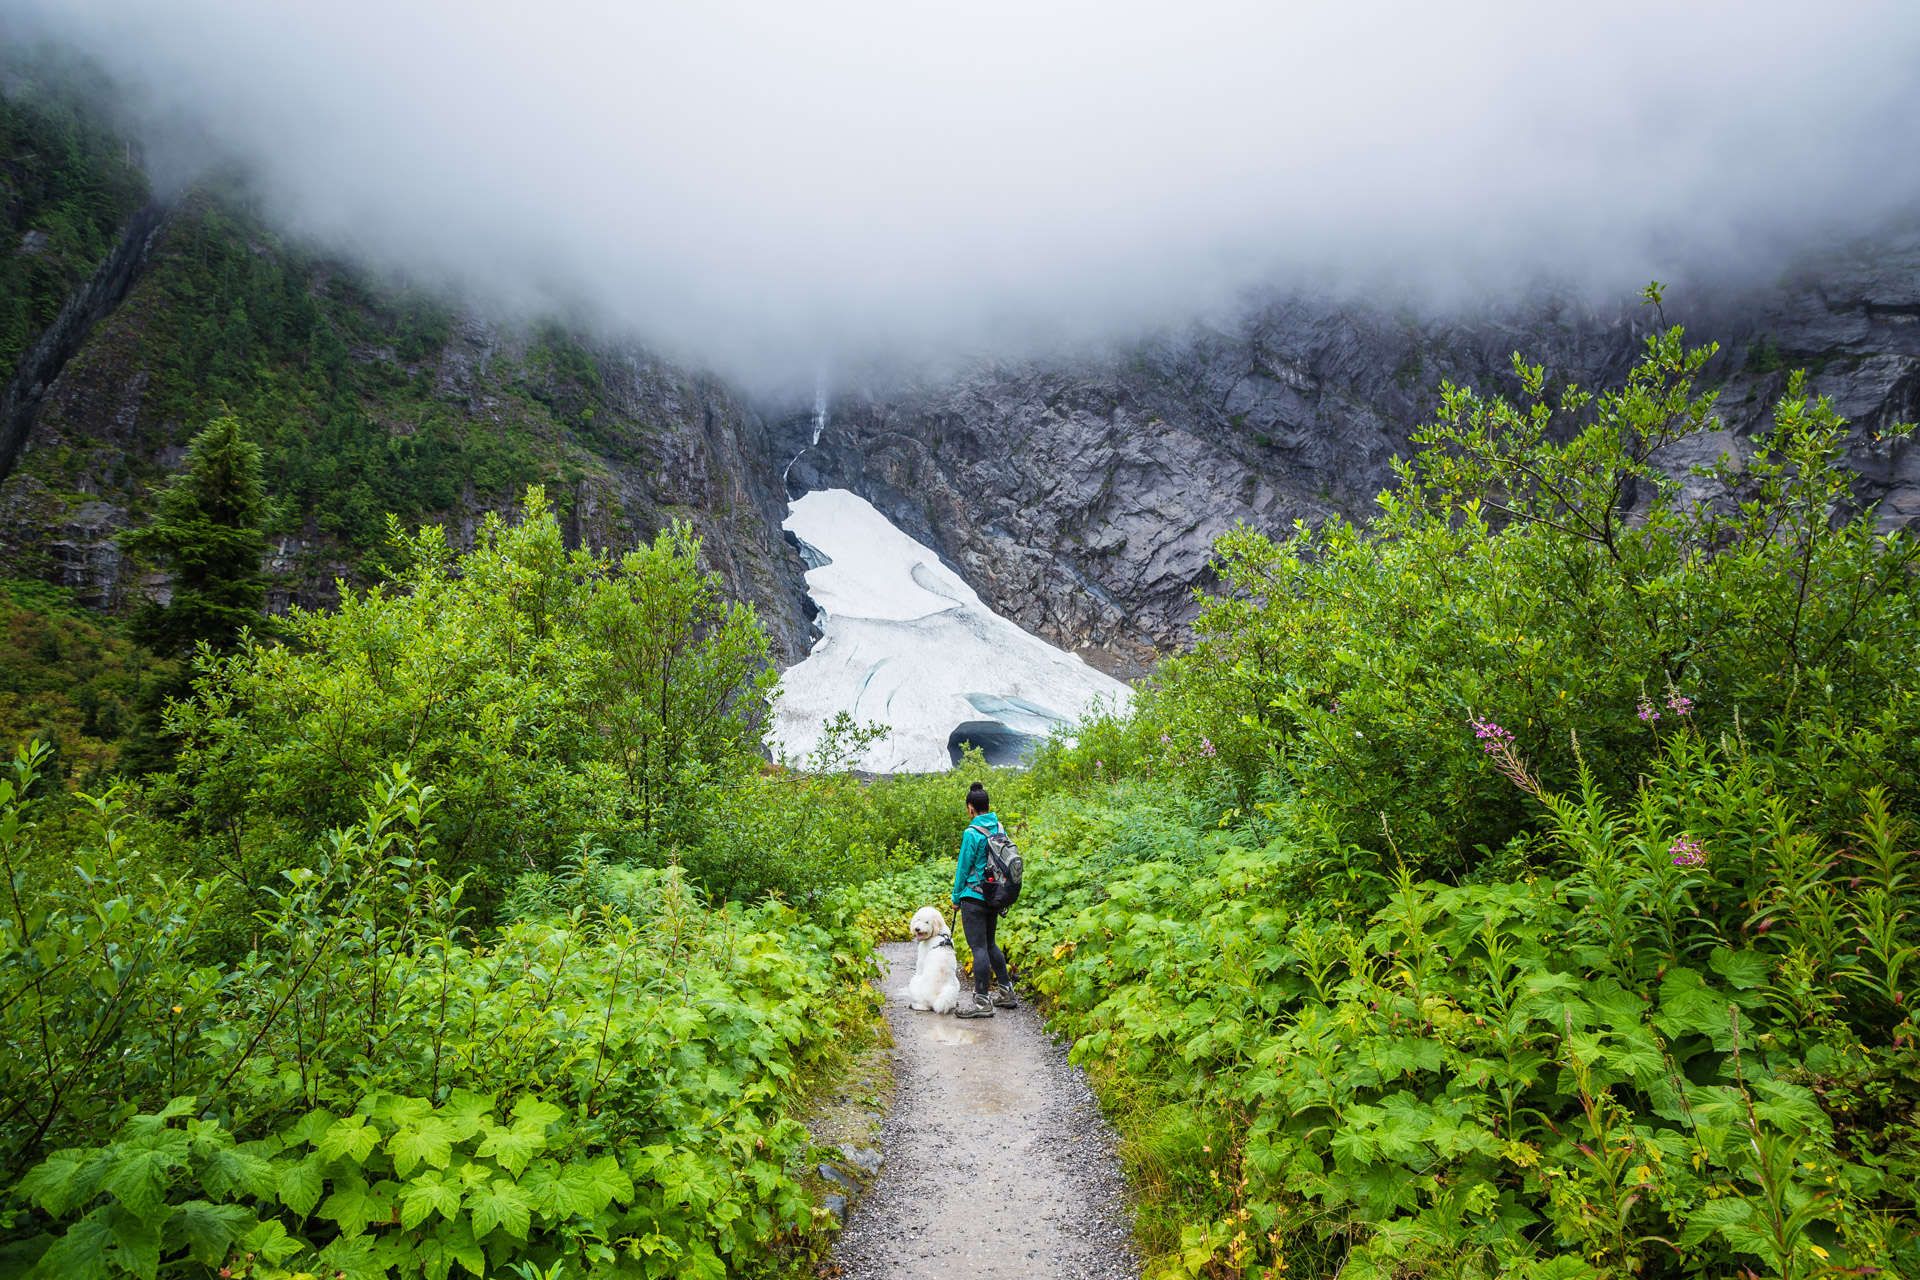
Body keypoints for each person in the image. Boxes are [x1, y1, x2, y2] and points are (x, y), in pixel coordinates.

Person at [952, 781, 1017, 1018]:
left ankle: (982, 1002)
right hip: (994, 895)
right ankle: (1006, 992)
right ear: (988, 806)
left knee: (978, 948)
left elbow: (963, 867)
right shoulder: (999, 826)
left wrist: (956, 897)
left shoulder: (971, 833)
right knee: (990, 944)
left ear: (970, 808)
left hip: (973, 897)